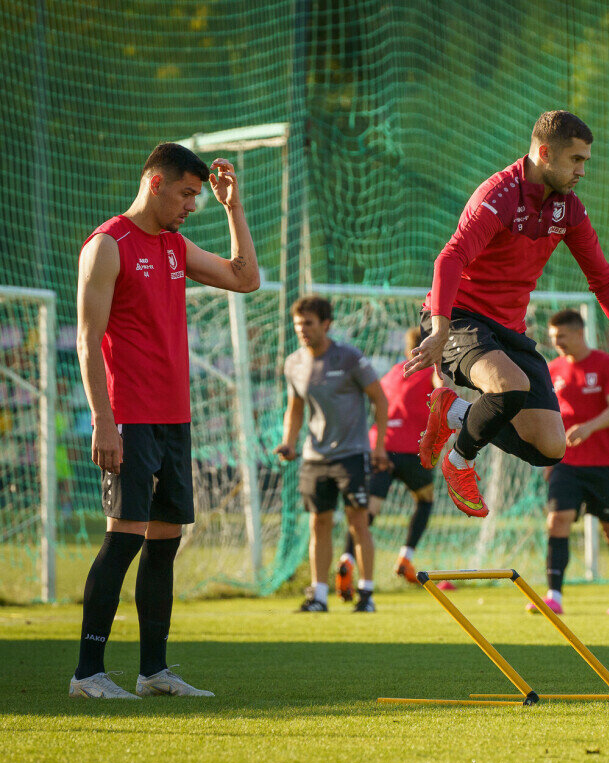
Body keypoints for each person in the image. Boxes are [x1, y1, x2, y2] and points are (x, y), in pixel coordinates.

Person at [71, 143, 259, 699]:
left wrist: (232, 208)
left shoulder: (176, 245)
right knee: (123, 540)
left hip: (175, 418)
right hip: (128, 416)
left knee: (164, 544)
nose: (191, 205)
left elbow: (245, 278)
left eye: (198, 195)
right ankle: (87, 674)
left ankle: (153, 672)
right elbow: (85, 340)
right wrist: (102, 420)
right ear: (155, 183)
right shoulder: (108, 245)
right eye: (186, 193)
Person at [404, 110, 609, 518]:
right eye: (576, 160)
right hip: (459, 318)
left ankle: (452, 411)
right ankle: (459, 461)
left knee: (550, 448)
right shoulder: (499, 195)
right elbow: (450, 258)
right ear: (544, 153)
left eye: (585, 161)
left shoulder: (569, 211)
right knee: (510, 385)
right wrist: (438, 329)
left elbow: (603, 280)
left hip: (508, 331)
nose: (582, 171)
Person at [275, 296, 388, 613]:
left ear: (326, 324)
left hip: (352, 454)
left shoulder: (349, 358)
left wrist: (378, 446)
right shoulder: (293, 363)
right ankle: (319, 596)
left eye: (308, 323)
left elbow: (380, 400)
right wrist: (289, 442)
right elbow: (294, 409)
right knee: (318, 523)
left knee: (358, 522)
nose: (302, 330)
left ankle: (366, 594)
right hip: (314, 457)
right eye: (298, 324)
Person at [528, 309, 609, 616]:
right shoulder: (553, 369)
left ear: (578, 333)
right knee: (557, 521)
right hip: (566, 463)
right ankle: (554, 597)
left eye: (561, 336)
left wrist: (587, 427)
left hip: (604, 462)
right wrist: (547, 456)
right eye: (552, 337)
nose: (556, 342)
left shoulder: (606, 363)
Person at [336, 327, 443, 599]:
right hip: (411, 450)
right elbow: (444, 394)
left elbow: (376, 404)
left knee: (367, 512)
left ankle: (347, 559)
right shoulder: (434, 371)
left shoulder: (393, 372)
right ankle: (405, 558)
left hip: (379, 448)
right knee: (425, 500)